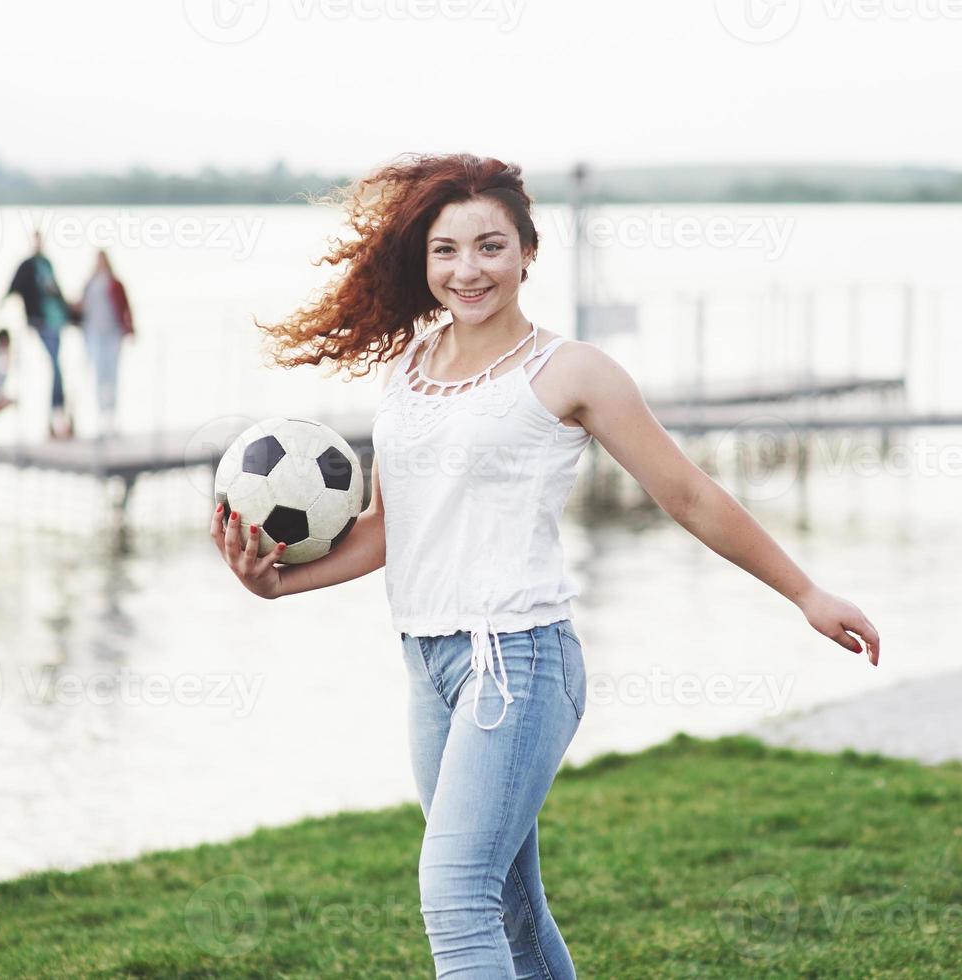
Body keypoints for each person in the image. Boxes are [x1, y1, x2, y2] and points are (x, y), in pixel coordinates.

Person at [209, 152, 882, 977]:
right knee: (510, 911)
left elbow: (690, 496)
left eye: (491, 247)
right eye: (446, 250)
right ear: (424, 262)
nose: (468, 270)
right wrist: (278, 582)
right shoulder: (409, 369)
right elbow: (391, 528)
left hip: (519, 663)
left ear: (529, 252)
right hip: (429, 663)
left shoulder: (570, 371)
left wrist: (806, 592)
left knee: (454, 896)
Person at [1, 230, 74, 440]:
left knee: (58, 368)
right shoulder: (28, 265)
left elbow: (57, 292)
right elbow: (13, 288)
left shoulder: (47, 264)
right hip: (41, 323)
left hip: (56, 322)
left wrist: (71, 313)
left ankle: (57, 416)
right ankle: (56, 416)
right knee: (56, 368)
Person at [76, 249, 135, 438]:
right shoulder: (90, 283)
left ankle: (113, 416)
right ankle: (102, 417)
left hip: (113, 333)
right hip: (95, 334)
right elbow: (81, 307)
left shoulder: (114, 282)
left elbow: (125, 305)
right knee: (100, 375)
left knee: (112, 374)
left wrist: (130, 328)